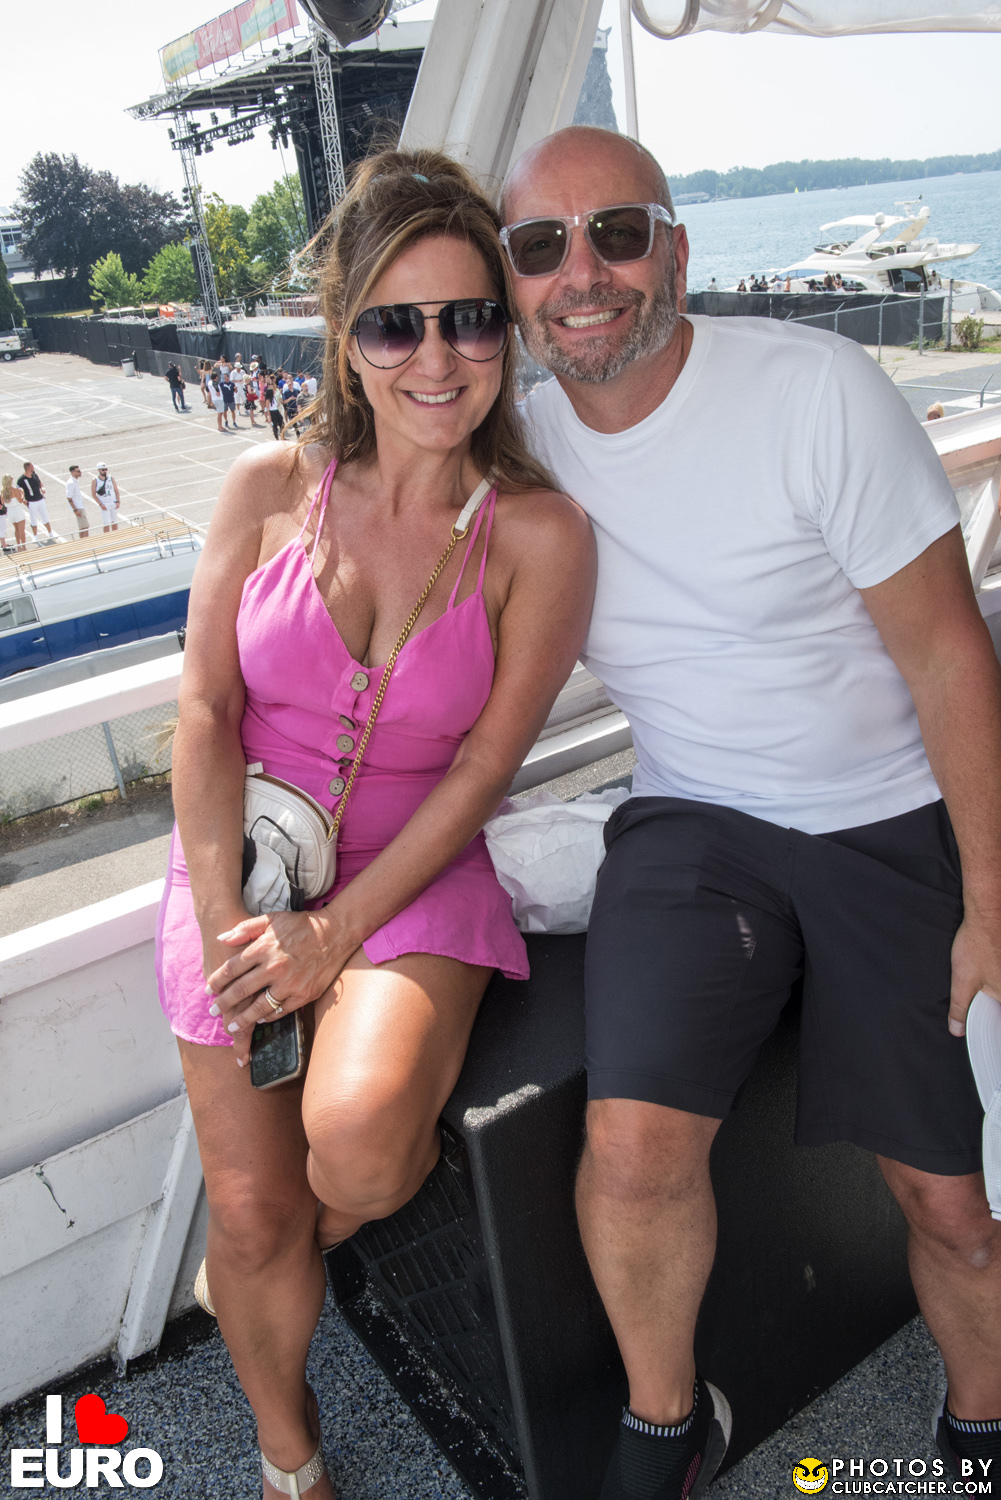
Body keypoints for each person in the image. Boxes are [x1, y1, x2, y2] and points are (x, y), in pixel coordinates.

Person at [504, 125, 1001, 1499]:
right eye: (540, 246)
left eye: (615, 233)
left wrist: (991, 901)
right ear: (514, 281)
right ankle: (669, 1426)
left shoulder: (812, 392)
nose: (581, 274)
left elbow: (949, 656)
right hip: (692, 819)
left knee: (950, 1203)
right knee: (630, 1146)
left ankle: (976, 1428)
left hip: (888, 814)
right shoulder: (522, 448)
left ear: (675, 249)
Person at [156, 146, 593, 1500]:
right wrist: (230, 926)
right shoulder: (264, 489)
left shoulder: (540, 536)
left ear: (504, 331)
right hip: (244, 865)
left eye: (470, 318)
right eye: (397, 324)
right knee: (247, 1205)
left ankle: (277, 1260)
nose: (438, 359)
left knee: (352, 1149)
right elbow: (206, 712)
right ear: (346, 338)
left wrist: (332, 933)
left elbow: (483, 769)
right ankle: (290, 1461)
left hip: (415, 870)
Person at [19, 461, 54, 544]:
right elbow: (18, 490)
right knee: (33, 519)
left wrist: (42, 488)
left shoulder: (35, 475)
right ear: (28, 468)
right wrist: (23, 499)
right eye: (32, 466)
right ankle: (35, 536)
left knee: (45, 516)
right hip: (31, 502)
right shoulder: (21, 479)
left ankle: (50, 532)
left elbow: (40, 483)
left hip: (40, 500)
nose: (33, 467)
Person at [1, 474, 28, 551]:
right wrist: (22, 493)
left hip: (10, 512)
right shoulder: (14, 490)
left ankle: (18, 546)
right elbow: (20, 500)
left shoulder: (3, 491)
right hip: (17, 511)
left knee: (16, 529)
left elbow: (3, 503)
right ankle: (24, 547)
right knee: (22, 530)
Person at [91, 463, 121, 533]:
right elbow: (93, 494)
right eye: (103, 470)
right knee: (106, 523)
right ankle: (107, 537)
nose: (105, 471)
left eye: (106, 469)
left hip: (113, 502)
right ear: (99, 470)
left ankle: (115, 536)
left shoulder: (111, 478)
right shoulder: (95, 480)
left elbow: (116, 490)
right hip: (104, 504)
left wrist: (118, 501)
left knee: (114, 522)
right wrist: (100, 504)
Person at [66, 464, 89, 538]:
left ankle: (82, 542)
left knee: (82, 527)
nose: (80, 472)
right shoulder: (71, 482)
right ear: (73, 472)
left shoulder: (74, 481)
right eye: (78, 471)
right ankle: (85, 542)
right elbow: (69, 497)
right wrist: (75, 510)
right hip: (78, 507)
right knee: (85, 528)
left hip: (79, 506)